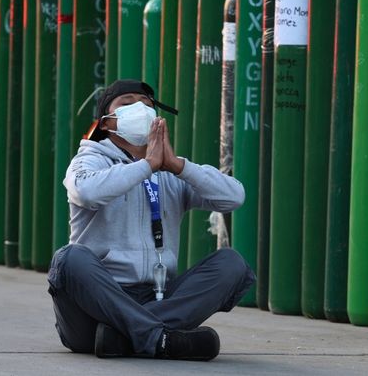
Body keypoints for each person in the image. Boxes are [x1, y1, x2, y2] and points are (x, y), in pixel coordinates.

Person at [47, 79, 255, 361]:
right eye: (127, 103)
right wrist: (146, 167)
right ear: (107, 122)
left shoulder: (171, 170)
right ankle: (158, 336)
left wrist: (178, 166)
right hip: (93, 306)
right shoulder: (90, 160)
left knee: (232, 265)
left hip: (155, 296)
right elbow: (86, 192)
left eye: (146, 104)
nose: (139, 109)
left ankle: (130, 336)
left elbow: (234, 197)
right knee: (68, 259)